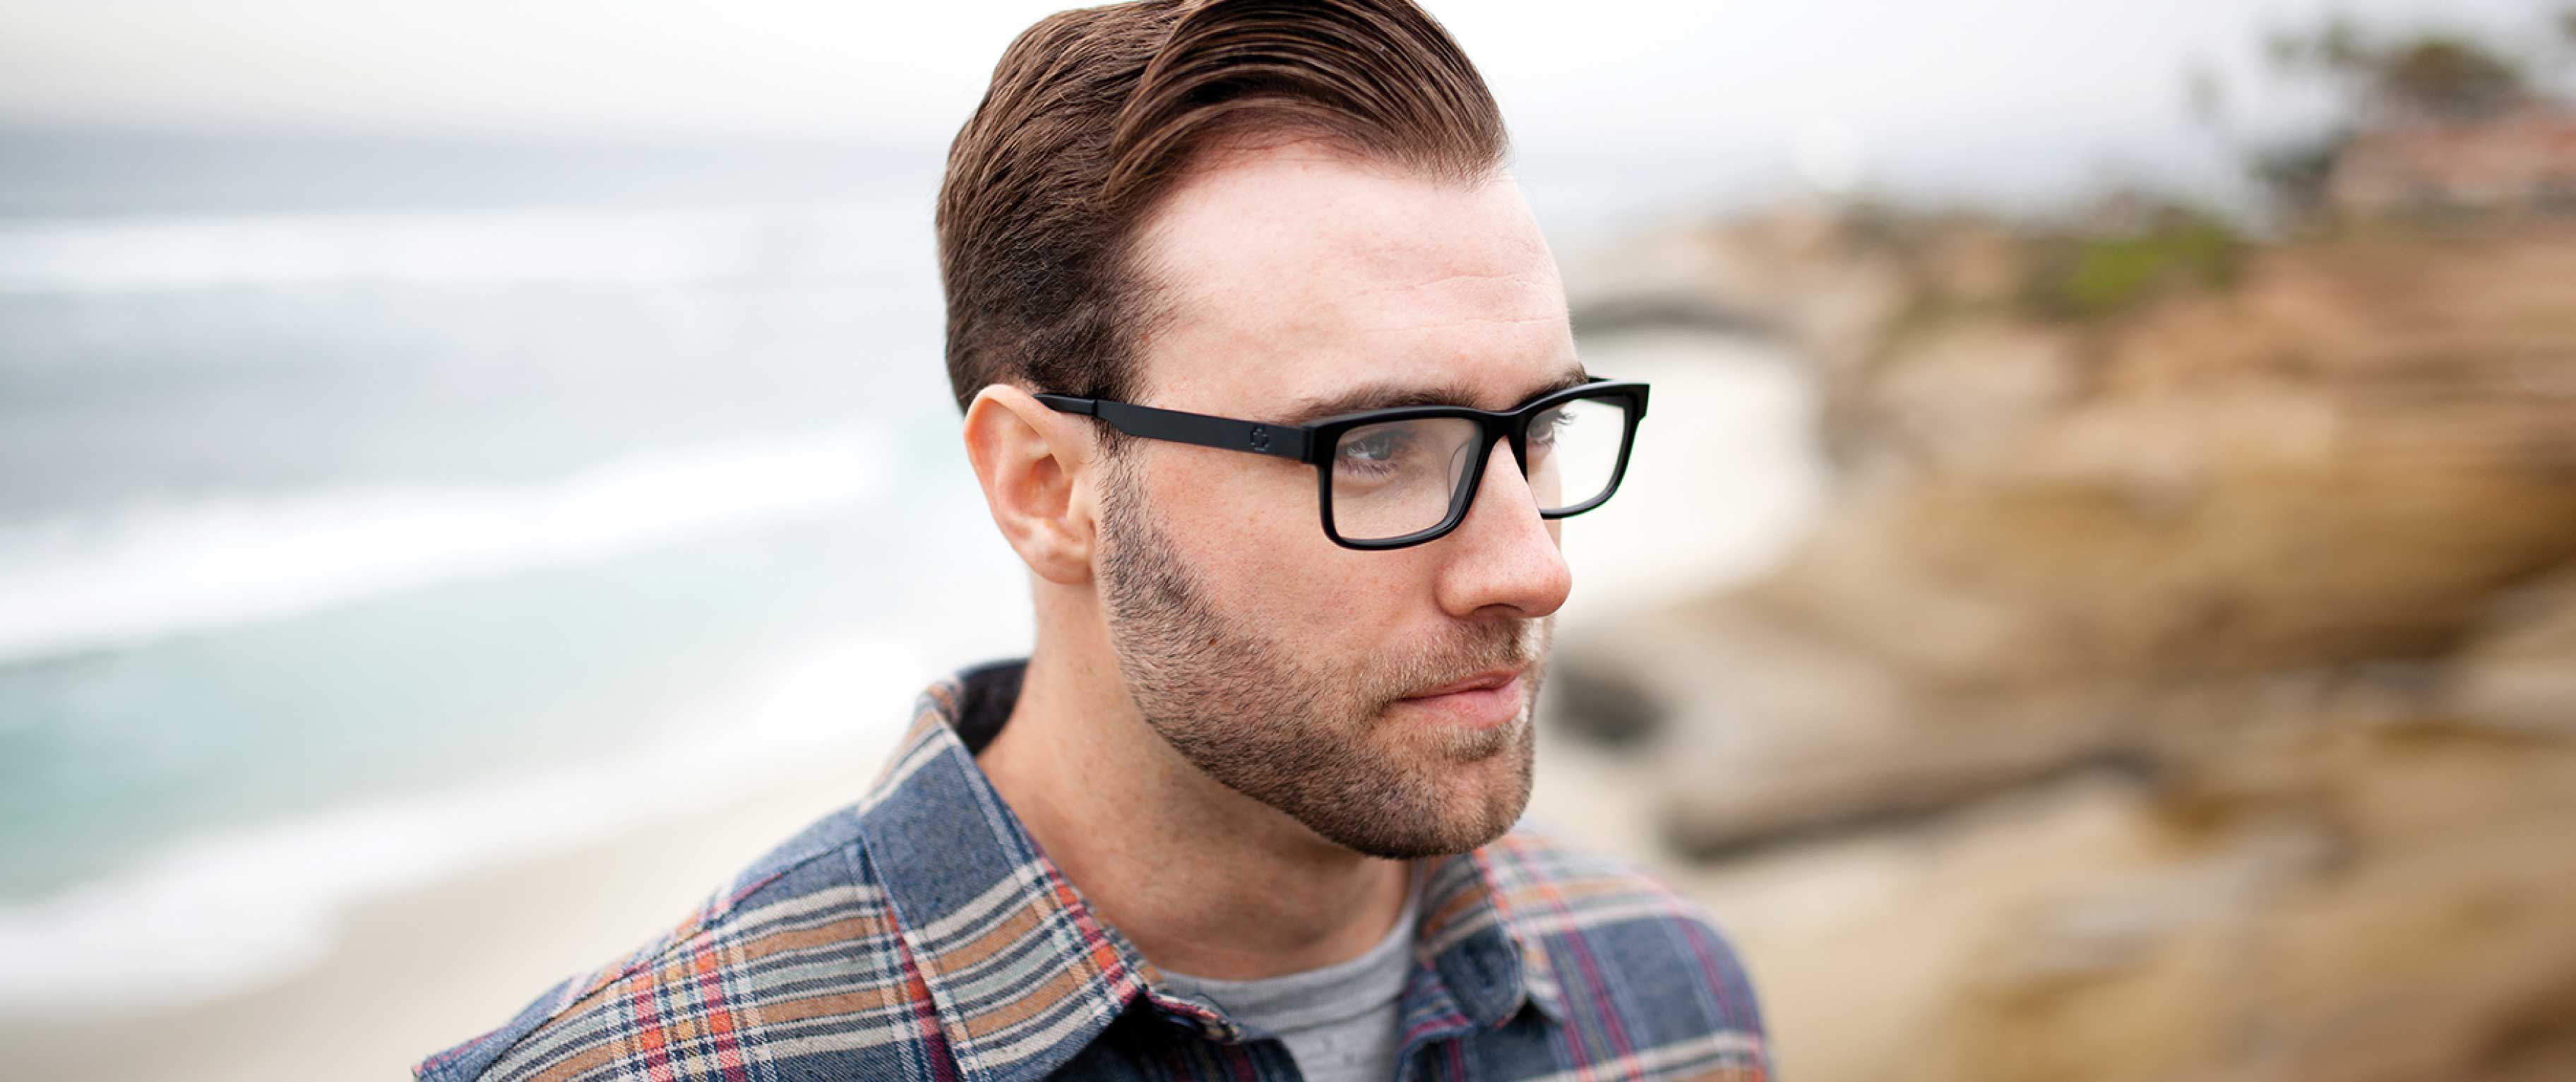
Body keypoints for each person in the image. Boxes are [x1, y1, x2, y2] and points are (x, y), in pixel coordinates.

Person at [413, 1, 1769, 1078]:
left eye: (1539, 425)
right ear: (1047, 485)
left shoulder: (1666, 999)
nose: (1534, 566)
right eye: (1375, 448)